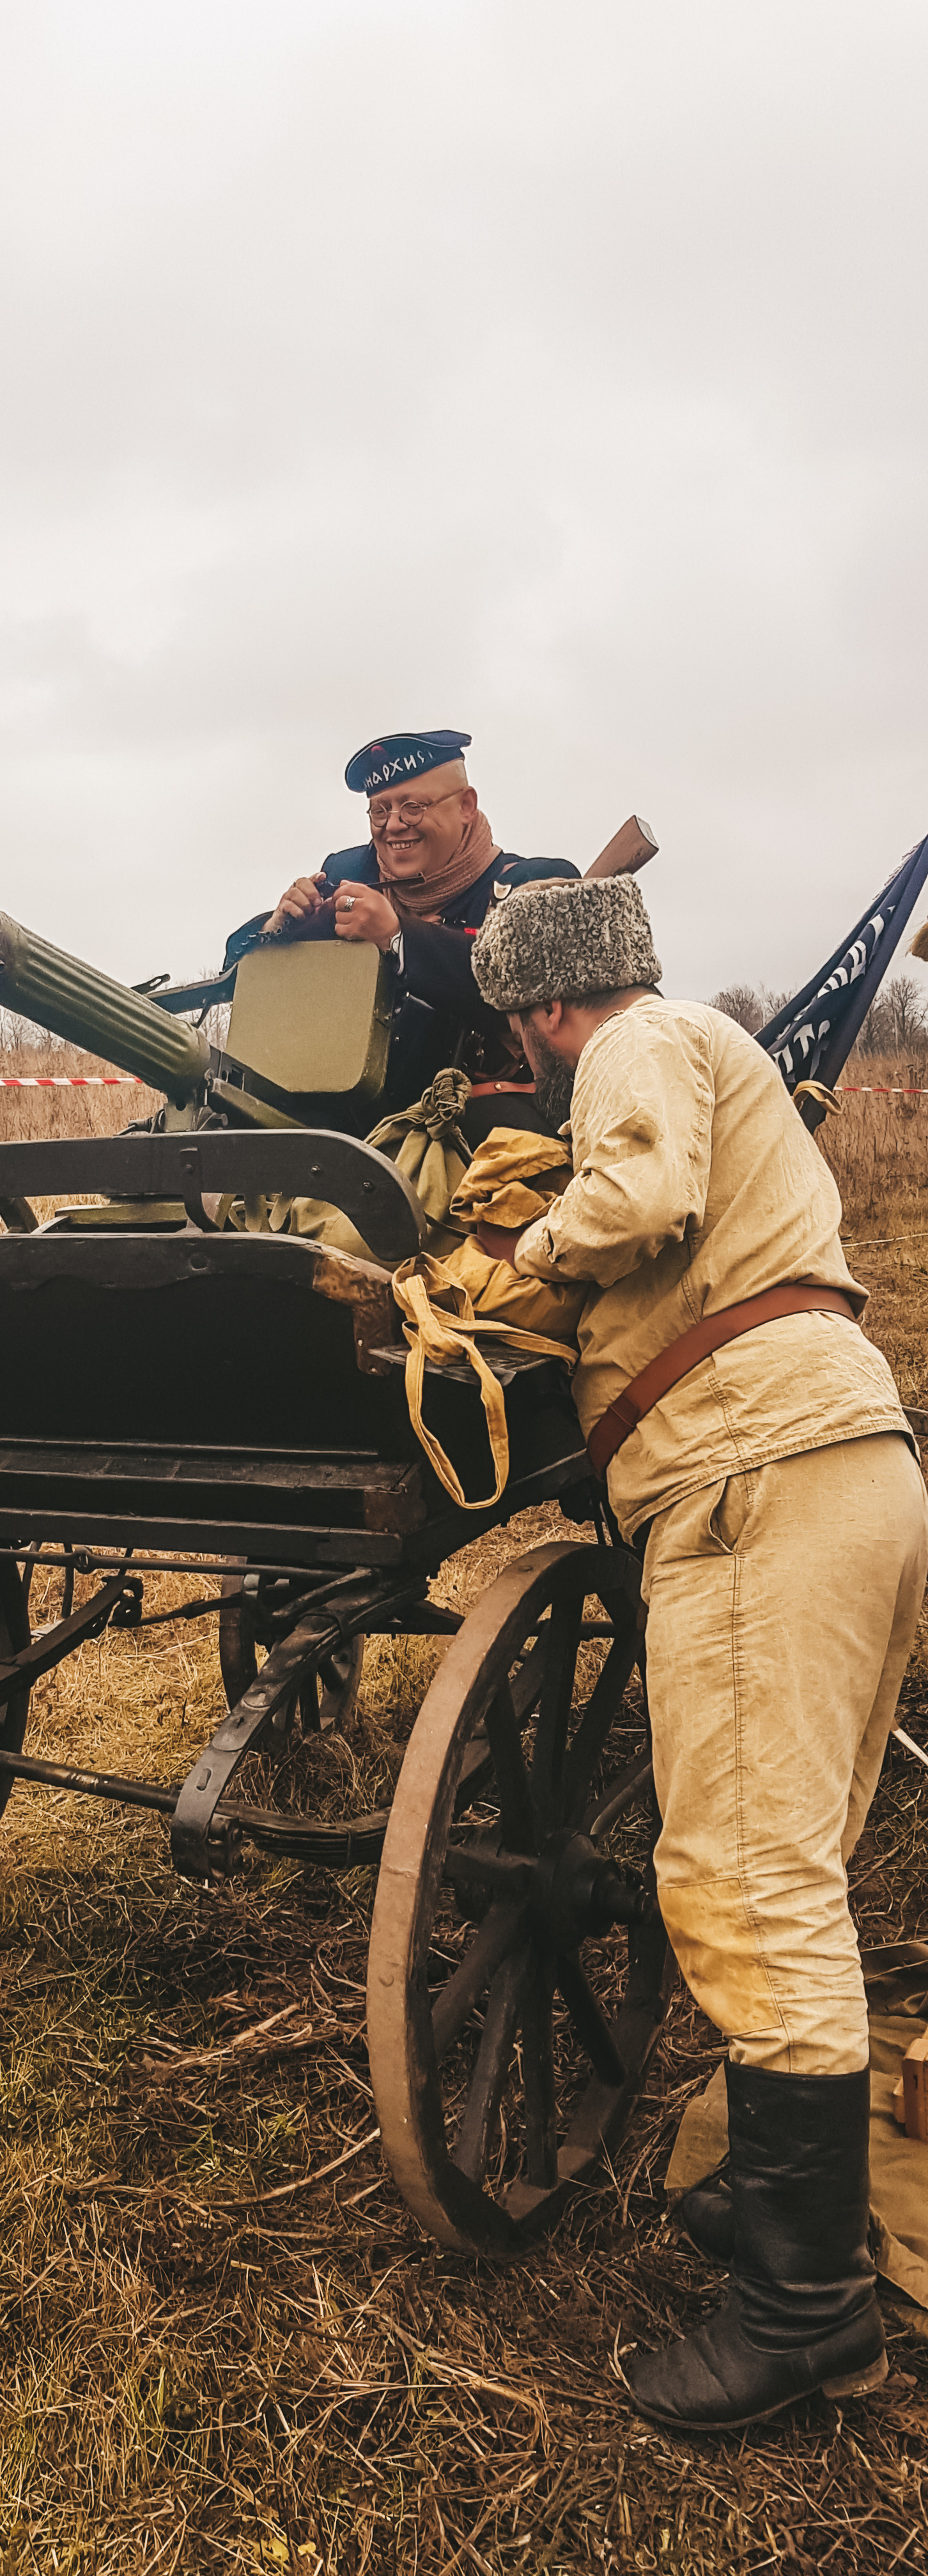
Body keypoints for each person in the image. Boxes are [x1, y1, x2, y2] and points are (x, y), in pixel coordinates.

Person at [469, 874, 928, 2432]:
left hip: (751, 1467)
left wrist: (498, 1265)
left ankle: (805, 2314)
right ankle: (783, 2204)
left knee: (739, 1877)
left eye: (518, 1015)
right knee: (795, 1852)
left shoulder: (635, 1043)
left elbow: (638, 1202)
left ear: (543, 1005)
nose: (527, 1044)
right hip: (839, 1453)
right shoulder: (730, 1072)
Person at [223, 728, 578, 1141]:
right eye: (380, 811)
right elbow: (235, 976)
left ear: (466, 806)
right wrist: (282, 928)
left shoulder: (536, 885)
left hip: (477, 1136)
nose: (393, 826)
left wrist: (397, 936)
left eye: (413, 808)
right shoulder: (346, 873)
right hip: (345, 1136)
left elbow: (534, 998)